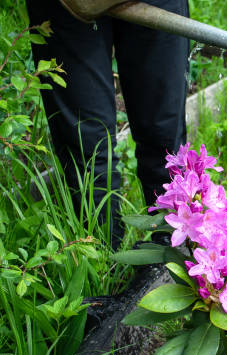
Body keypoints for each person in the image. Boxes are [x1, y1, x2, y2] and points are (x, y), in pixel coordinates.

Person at [26, 0, 190, 247]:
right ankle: (104, 262)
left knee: (165, 140)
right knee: (86, 148)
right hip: (67, 5)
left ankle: (173, 255)